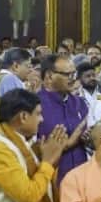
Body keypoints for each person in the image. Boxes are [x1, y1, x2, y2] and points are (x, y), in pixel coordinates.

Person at [37, 53, 89, 181]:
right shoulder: (34, 104)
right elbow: (34, 147)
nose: (73, 79)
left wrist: (89, 138)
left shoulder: (80, 103)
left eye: (74, 74)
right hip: (50, 178)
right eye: (68, 75)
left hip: (81, 175)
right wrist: (69, 143)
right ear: (49, 76)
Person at [0, 48, 31, 121]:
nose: (30, 70)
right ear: (16, 66)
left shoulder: (2, 77)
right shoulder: (9, 79)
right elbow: (18, 112)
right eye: (27, 66)